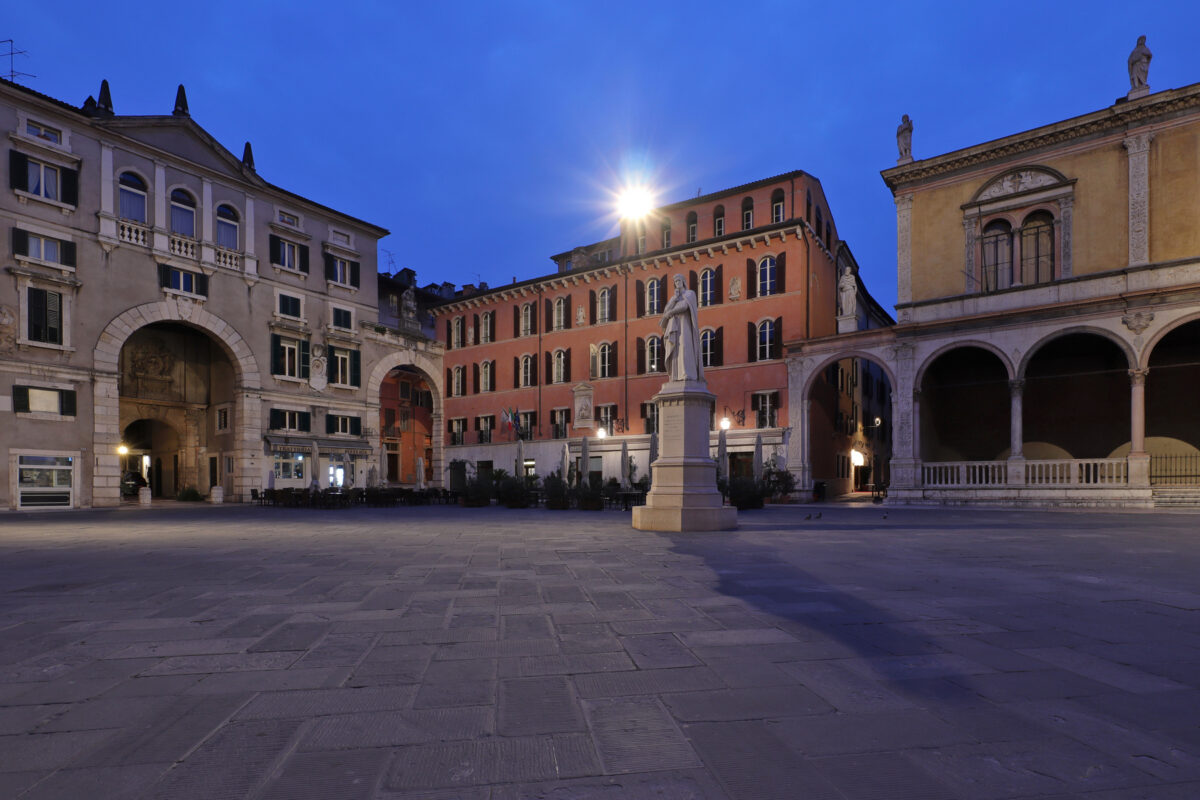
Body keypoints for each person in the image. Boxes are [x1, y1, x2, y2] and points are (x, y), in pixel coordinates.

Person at [660, 273, 702, 382]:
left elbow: (685, 306)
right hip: (674, 327)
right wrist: (674, 299)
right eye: (675, 282)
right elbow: (665, 311)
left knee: (684, 346)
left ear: (683, 281)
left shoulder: (690, 294)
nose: (677, 283)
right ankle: (675, 375)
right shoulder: (674, 297)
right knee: (675, 349)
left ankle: (687, 373)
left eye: (678, 281)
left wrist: (672, 311)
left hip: (685, 325)